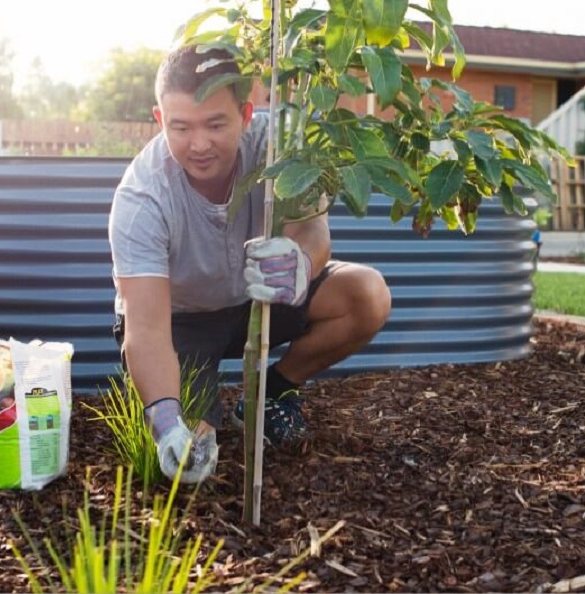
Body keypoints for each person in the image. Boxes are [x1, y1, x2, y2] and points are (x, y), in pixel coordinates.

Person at [108, 45, 392, 485]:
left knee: (367, 295)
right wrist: (166, 422)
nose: (199, 144)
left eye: (216, 124)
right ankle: (190, 416)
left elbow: (313, 231)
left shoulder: (282, 148)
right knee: (195, 460)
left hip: (261, 297)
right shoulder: (141, 198)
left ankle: (269, 395)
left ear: (246, 113)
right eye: (181, 127)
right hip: (180, 324)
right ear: (160, 119)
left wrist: (299, 262)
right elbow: (144, 329)